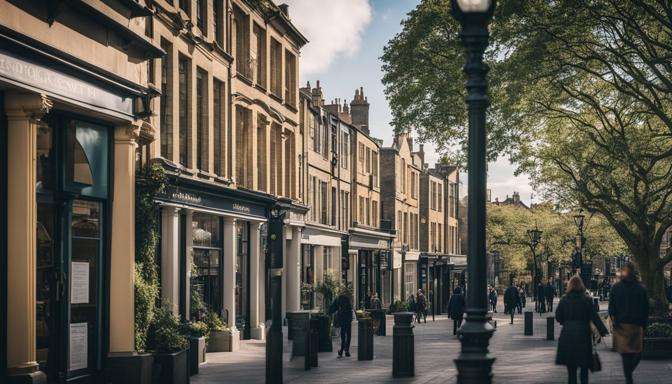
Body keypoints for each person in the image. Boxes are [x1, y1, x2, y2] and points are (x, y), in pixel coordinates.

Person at [556, 275, 609, 384]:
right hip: (583, 335)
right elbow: (594, 317)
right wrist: (603, 331)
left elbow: (558, 317)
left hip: (568, 335)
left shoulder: (564, 300)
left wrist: (566, 322)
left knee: (571, 370)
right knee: (584, 367)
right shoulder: (587, 300)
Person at [609, 263, 649, 384]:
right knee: (638, 352)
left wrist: (613, 320)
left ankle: (628, 376)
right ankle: (629, 374)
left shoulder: (616, 288)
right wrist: (644, 324)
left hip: (621, 325)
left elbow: (611, 307)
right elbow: (645, 308)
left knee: (625, 354)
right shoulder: (641, 288)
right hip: (636, 325)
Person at [330, 291, 354, 358]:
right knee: (348, 334)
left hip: (343, 319)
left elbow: (333, 308)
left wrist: (329, 312)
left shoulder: (338, 299)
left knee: (343, 335)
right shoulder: (347, 299)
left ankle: (341, 351)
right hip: (348, 319)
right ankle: (347, 351)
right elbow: (350, 308)